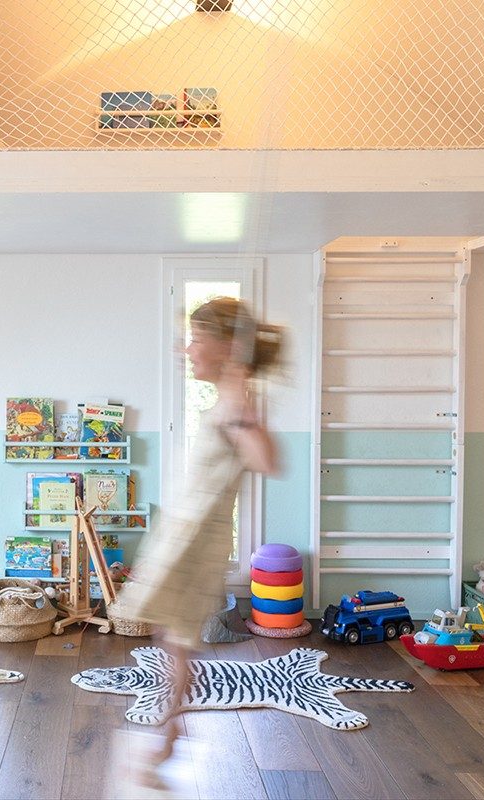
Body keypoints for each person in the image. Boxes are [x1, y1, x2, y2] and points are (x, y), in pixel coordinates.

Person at [109, 296, 284, 788]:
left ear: (226, 347)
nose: (186, 349)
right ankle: (172, 731)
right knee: (173, 637)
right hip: (184, 532)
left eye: (195, 339)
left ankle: (169, 736)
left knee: (179, 638)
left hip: (199, 541)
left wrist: (239, 403)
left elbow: (269, 460)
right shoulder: (227, 400)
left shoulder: (236, 404)